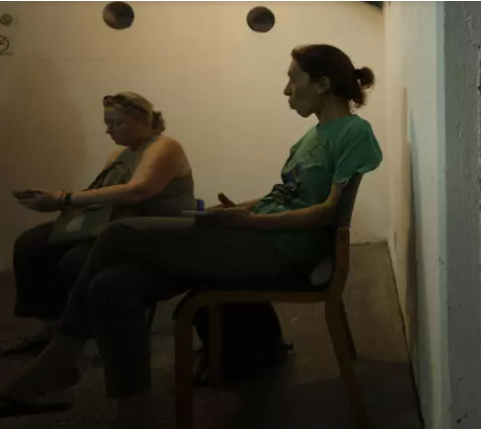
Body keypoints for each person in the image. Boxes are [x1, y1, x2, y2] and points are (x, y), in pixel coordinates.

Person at [0, 44, 383, 428]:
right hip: (257, 237)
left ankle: (58, 359)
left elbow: (328, 212)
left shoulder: (354, 132)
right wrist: (239, 210)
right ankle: (134, 414)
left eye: (292, 79)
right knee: (111, 286)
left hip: (279, 251)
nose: (286, 89)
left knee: (118, 234)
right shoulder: (312, 135)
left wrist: (251, 223)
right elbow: (283, 195)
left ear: (322, 84)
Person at [4, 92, 195, 356]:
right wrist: (53, 198)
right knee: (32, 244)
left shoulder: (165, 147)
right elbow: (101, 193)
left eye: (117, 123)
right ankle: (52, 327)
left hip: (151, 233)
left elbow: (137, 191)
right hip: (115, 223)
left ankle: (86, 334)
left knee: (74, 260)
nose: (109, 130)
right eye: (108, 123)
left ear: (142, 121)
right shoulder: (122, 154)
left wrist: (65, 199)